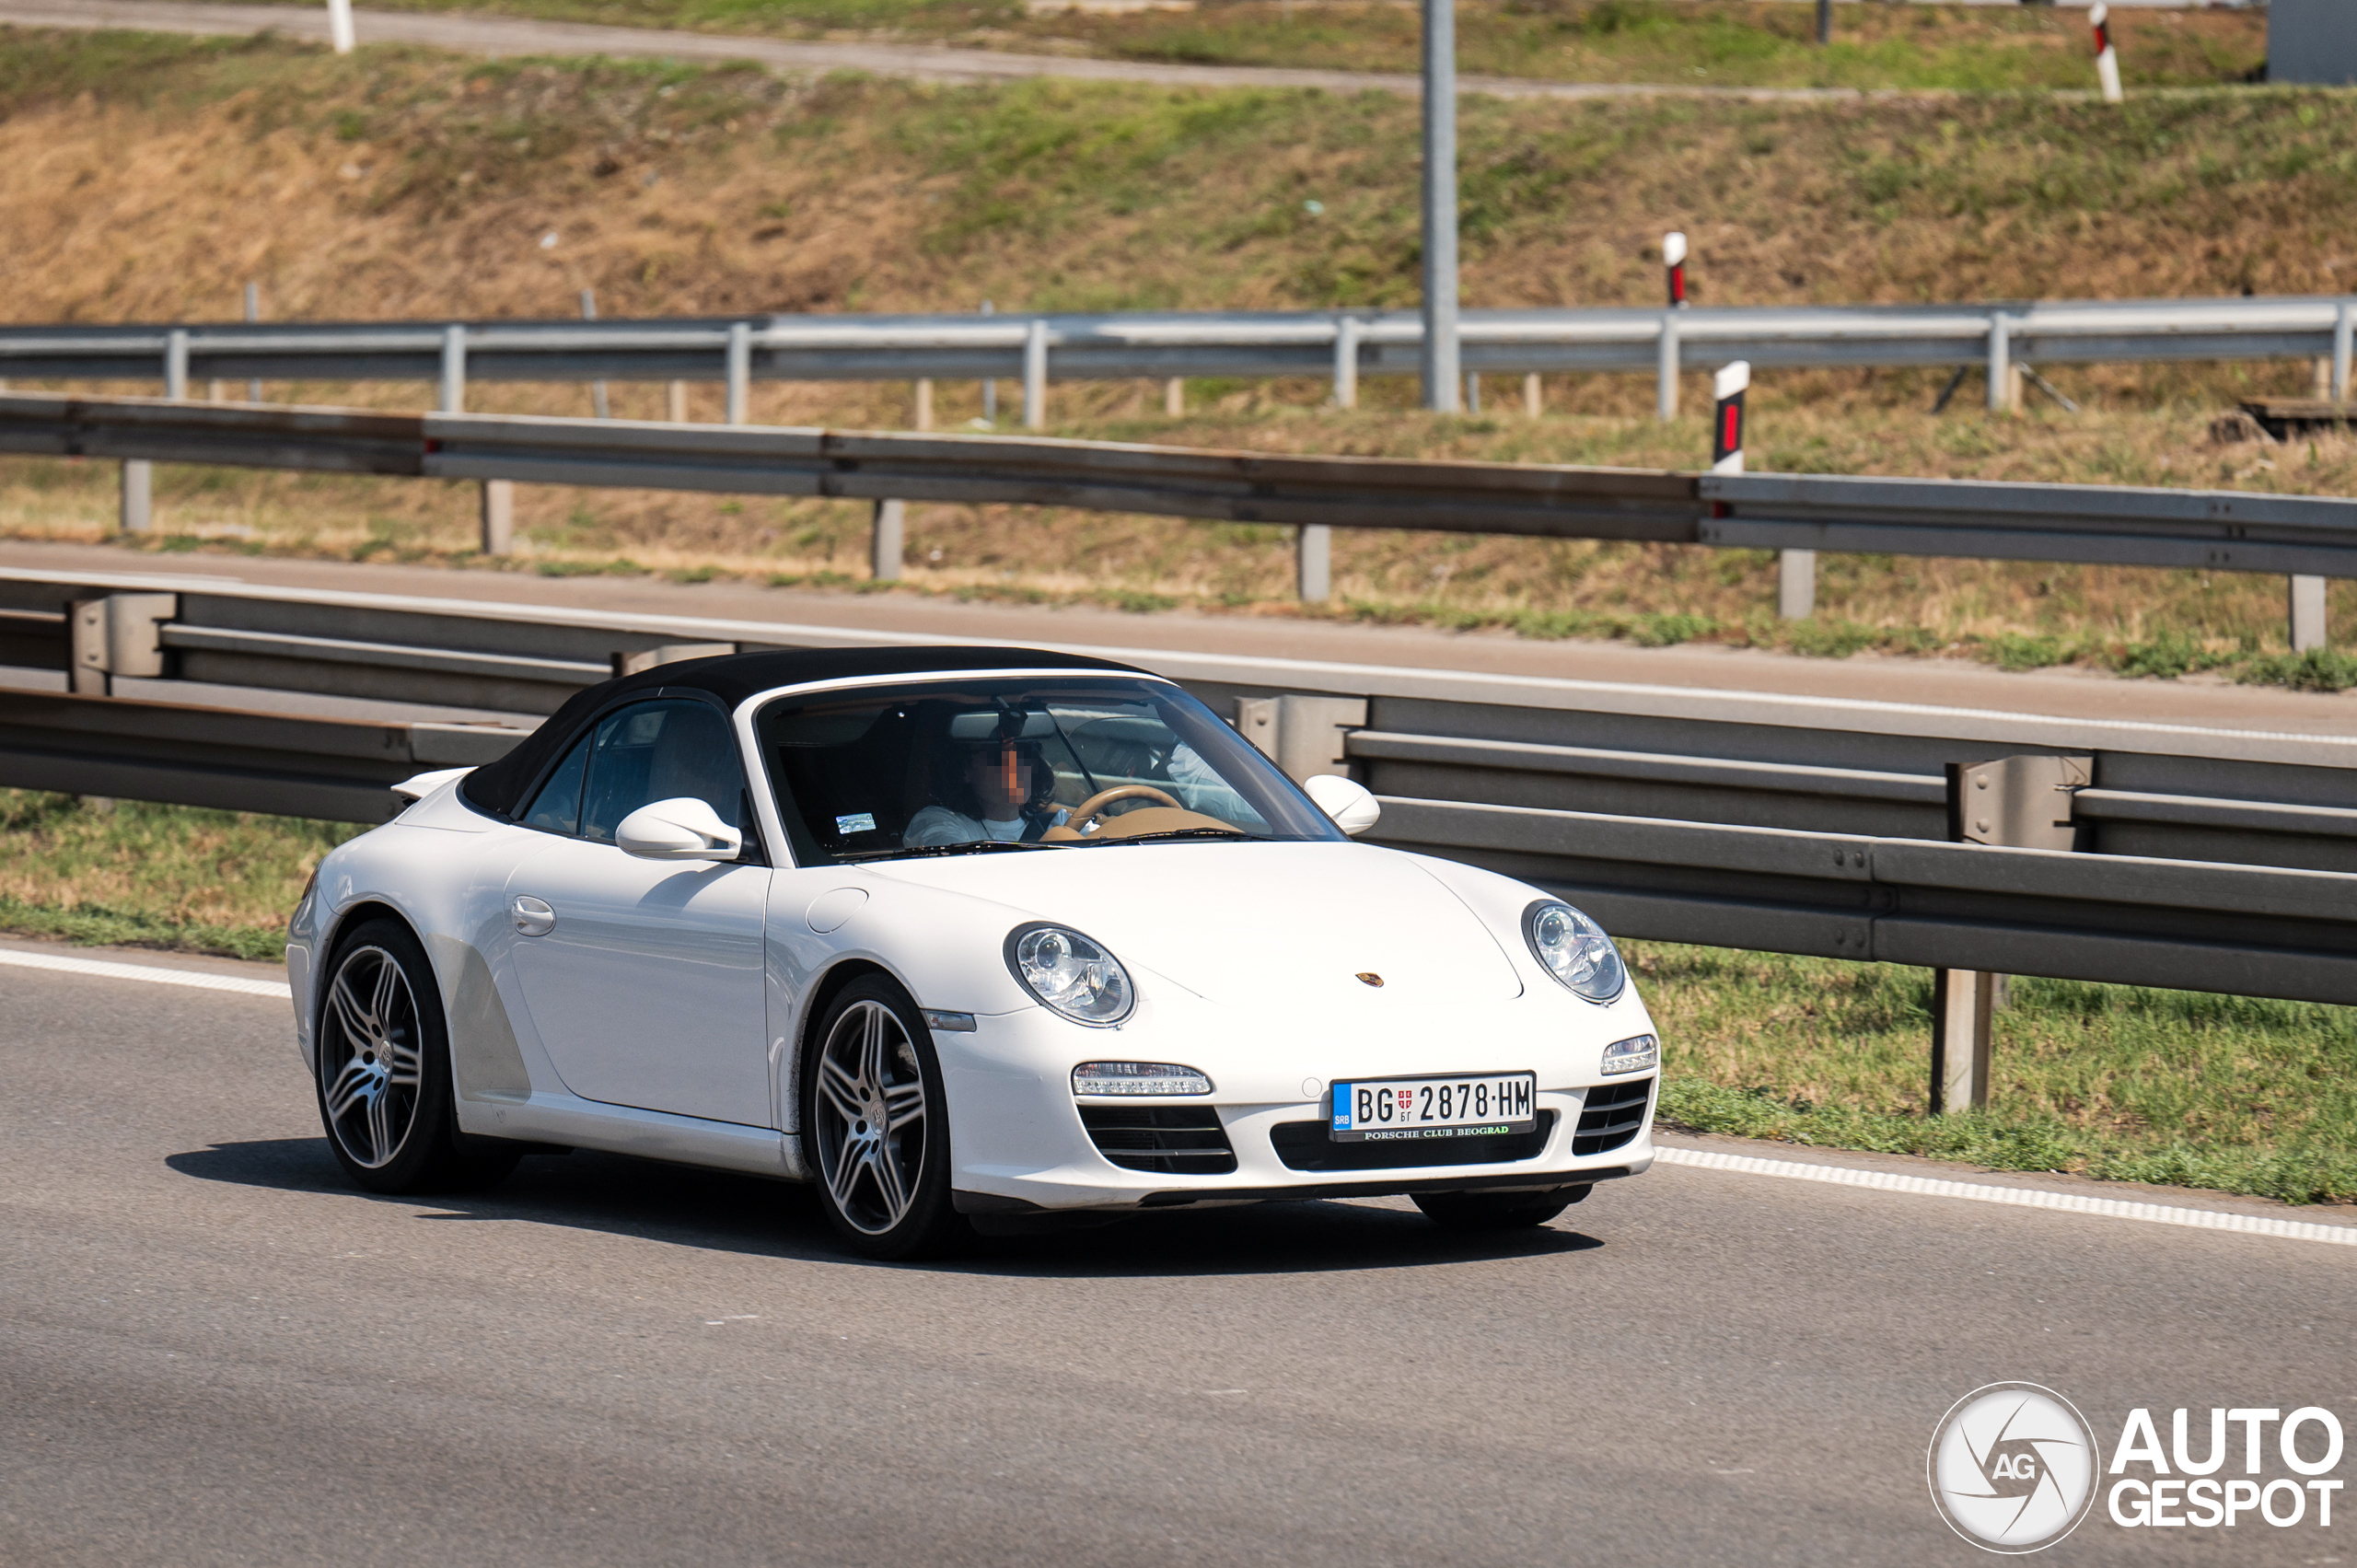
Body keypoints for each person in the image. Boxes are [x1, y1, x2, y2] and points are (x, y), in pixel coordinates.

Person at [903, 736, 1070, 846]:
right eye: (999, 756)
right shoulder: (938, 822)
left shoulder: (1059, 821)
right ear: (964, 770)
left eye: (1024, 754)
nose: (1015, 766)